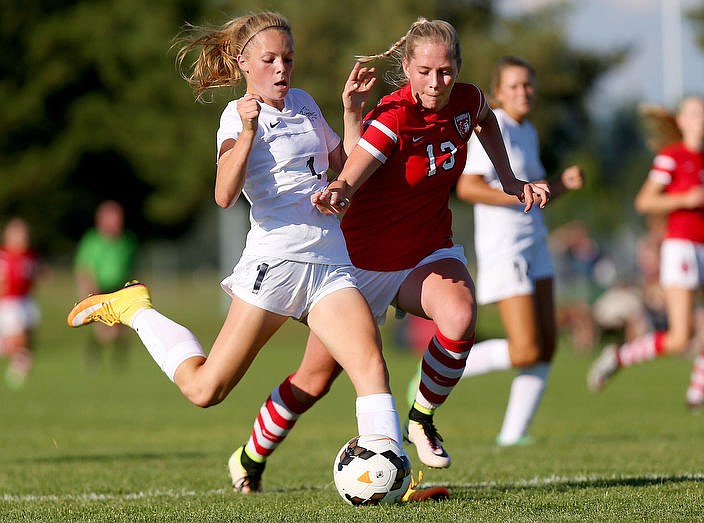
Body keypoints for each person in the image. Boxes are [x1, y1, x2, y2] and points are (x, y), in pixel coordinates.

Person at [66, 12, 437, 502]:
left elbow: (343, 170)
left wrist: (351, 114)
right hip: (275, 268)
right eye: (270, 60)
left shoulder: (304, 104)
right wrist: (246, 132)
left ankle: (390, 478)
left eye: (288, 58)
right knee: (205, 390)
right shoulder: (235, 116)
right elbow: (223, 194)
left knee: (371, 365)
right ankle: (136, 309)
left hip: (328, 262)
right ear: (244, 63)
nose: (283, 68)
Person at [229, 18, 549, 491]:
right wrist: (338, 188)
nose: (435, 83)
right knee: (314, 380)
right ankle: (250, 456)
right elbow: (356, 166)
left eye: (445, 72)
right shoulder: (394, 116)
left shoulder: (470, 100)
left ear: (457, 69)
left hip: (426, 252)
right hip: (357, 264)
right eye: (424, 71)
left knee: (460, 316)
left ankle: (421, 419)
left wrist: (509, 179)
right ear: (406, 67)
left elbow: (485, 121)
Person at [451, 56, 583, 446]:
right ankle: (438, 369)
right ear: (498, 92)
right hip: (505, 247)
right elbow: (467, 188)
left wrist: (561, 183)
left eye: (528, 85)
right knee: (526, 348)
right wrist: (515, 196)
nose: (523, 92)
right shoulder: (495, 127)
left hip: (535, 242)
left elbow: (533, 196)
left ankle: (513, 434)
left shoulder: (528, 131)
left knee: (547, 344)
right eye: (514, 86)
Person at [587, 96, 704, 409]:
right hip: (682, 246)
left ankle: (696, 396)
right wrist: (684, 200)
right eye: (694, 114)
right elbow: (645, 202)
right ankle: (618, 356)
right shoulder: (670, 158)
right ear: (681, 120)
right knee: (679, 338)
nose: (701, 119)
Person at [74, 200, 138, 369]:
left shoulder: (126, 241)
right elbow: (84, 269)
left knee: (123, 327)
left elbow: (129, 266)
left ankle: (116, 360)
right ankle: (93, 356)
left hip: (120, 288)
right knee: (107, 330)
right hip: (100, 290)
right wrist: (89, 294)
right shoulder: (93, 241)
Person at [0, 218, 41, 388]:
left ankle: (16, 372)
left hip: (26, 301)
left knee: (29, 344)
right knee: (19, 342)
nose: (23, 237)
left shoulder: (30, 255)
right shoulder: (3, 256)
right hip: (9, 303)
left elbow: (33, 277)